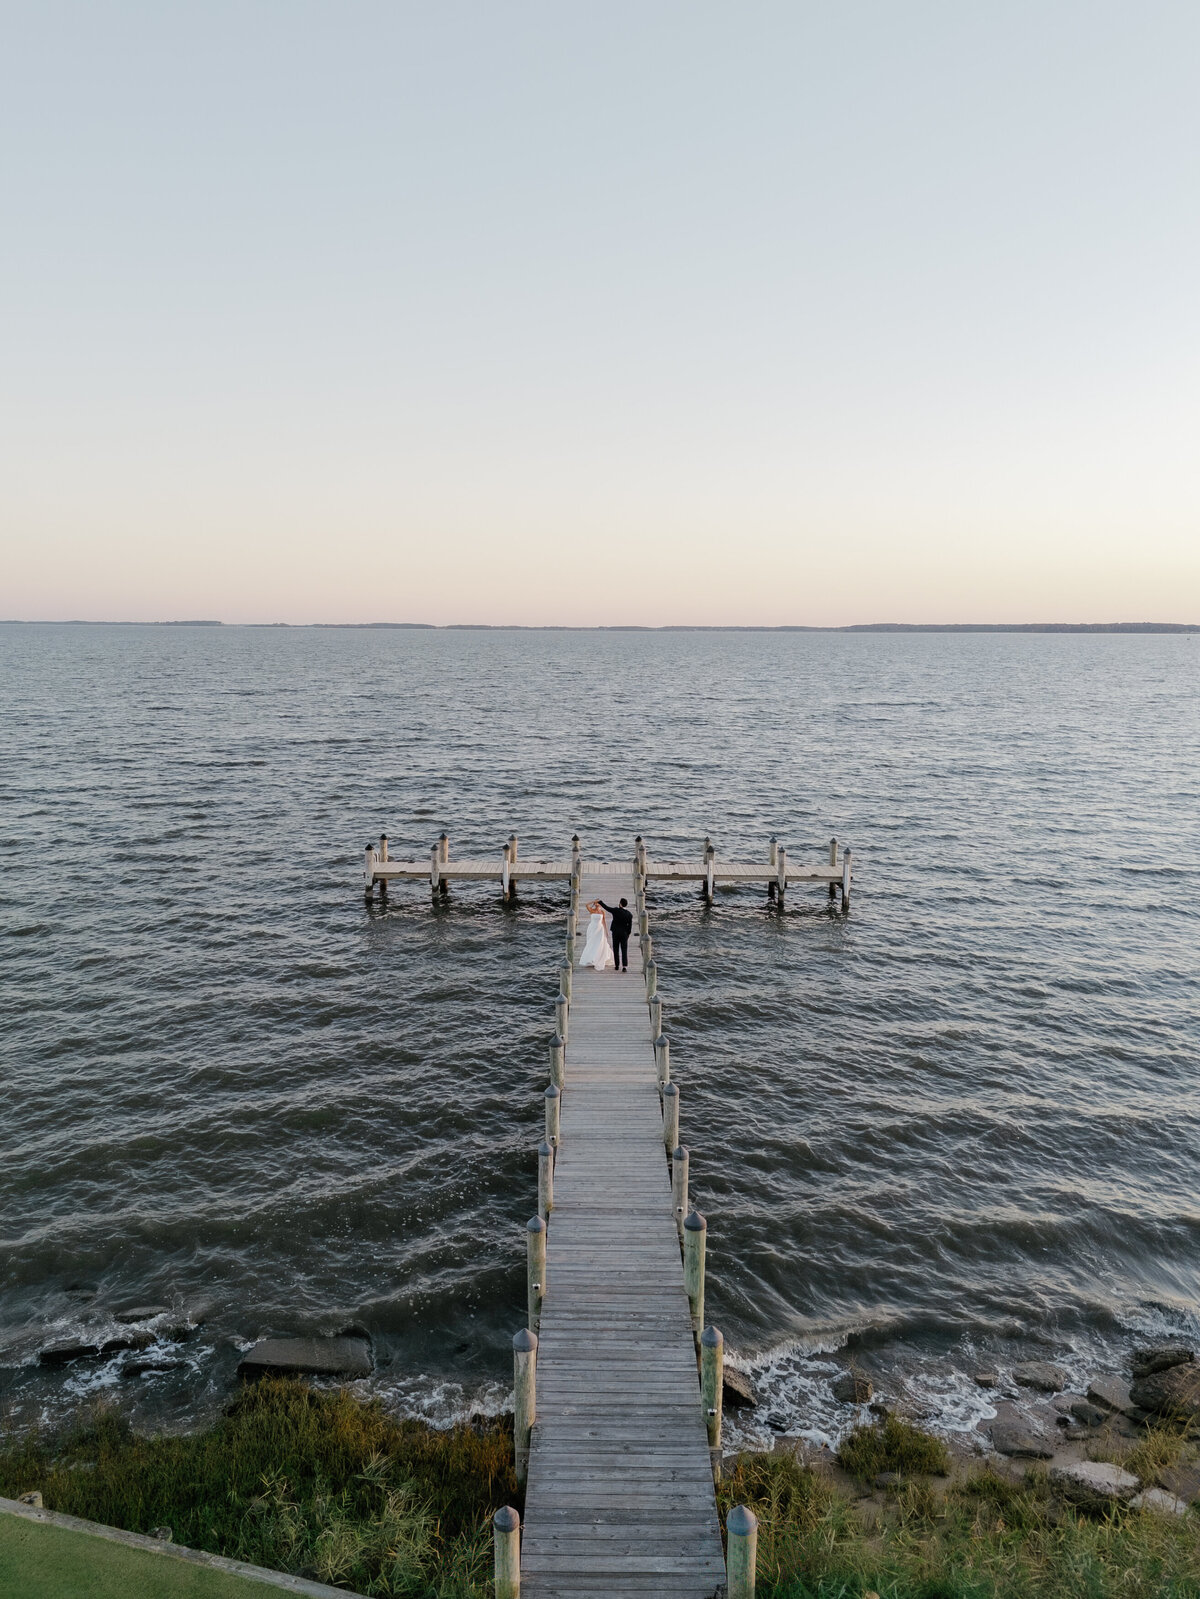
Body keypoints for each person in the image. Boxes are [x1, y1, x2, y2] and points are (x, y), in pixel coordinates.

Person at [599, 896, 633, 973]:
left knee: (616, 949)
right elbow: (630, 927)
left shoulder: (616, 910)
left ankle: (617, 965)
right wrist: (627, 934)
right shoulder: (629, 914)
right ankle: (624, 967)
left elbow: (607, 908)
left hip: (616, 932)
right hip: (624, 934)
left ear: (620, 904)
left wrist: (600, 902)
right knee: (624, 950)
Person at [578, 898, 614, 970]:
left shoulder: (602, 911)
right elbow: (586, 905)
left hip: (600, 929)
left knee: (600, 943)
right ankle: (591, 958)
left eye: (598, 903)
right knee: (592, 943)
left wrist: (606, 930)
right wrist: (593, 901)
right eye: (596, 903)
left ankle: (598, 958)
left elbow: (604, 921)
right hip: (592, 928)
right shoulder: (592, 910)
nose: (597, 904)